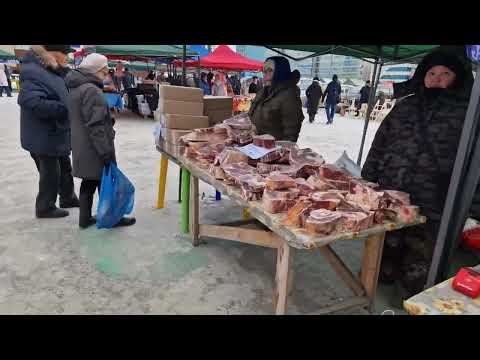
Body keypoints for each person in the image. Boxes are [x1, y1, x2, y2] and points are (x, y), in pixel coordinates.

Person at [361, 50, 474, 304]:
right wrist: (368, 177)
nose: (437, 79)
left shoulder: (468, 115)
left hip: (435, 200)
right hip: (391, 192)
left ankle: (409, 299)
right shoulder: (405, 106)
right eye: (432, 73)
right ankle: (379, 281)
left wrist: (472, 205)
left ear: (458, 79)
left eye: (445, 74)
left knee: (421, 254)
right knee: (385, 244)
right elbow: (380, 143)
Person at [65, 53, 136, 229]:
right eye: (105, 71)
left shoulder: (76, 88)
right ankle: (112, 218)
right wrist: (105, 152)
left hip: (82, 144)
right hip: (95, 146)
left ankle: (85, 218)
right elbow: (95, 125)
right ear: (98, 70)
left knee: (89, 182)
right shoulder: (91, 90)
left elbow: (84, 117)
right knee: (106, 183)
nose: (107, 75)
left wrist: (106, 119)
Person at [18, 45, 79, 218]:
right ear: (52, 53)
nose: (67, 57)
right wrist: (64, 109)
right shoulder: (33, 71)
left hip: (56, 132)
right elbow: (30, 101)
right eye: (64, 53)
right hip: (42, 135)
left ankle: (67, 197)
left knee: (65, 167)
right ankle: (45, 206)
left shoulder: (53, 70)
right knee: (51, 172)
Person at [248, 56, 304, 142]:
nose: (265, 76)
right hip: (256, 145)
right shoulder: (263, 91)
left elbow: (291, 135)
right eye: (264, 71)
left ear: (281, 71)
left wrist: (280, 152)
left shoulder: (289, 95)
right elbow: (251, 115)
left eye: (270, 70)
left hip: (274, 149)